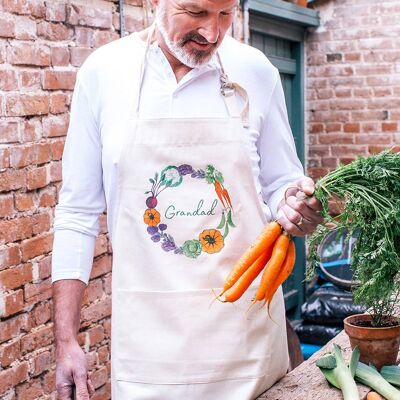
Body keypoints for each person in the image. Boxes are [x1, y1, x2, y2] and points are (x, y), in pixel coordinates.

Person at [52, 0, 323, 399]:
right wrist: (65, 341)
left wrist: (297, 205)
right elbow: (77, 214)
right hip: (150, 355)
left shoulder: (256, 72)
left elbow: (282, 181)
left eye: (225, 15)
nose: (212, 33)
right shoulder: (104, 73)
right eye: (196, 13)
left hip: (246, 346)